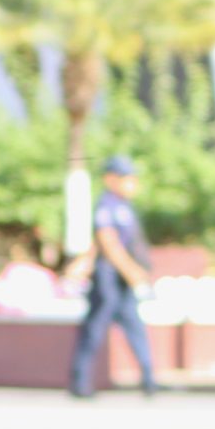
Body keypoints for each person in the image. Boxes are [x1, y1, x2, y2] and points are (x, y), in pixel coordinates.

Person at [66, 156, 158, 400]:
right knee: (95, 328)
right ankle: (80, 381)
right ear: (111, 179)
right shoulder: (106, 205)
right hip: (108, 276)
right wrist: (132, 271)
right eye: (127, 178)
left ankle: (149, 379)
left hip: (123, 279)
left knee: (135, 327)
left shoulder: (125, 206)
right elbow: (108, 243)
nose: (132, 183)